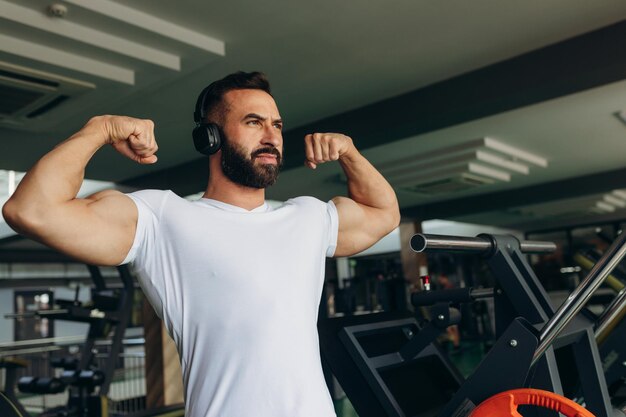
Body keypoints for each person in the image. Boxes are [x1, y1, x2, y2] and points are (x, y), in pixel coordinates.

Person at [2, 71, 400, 417]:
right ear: (210, 137)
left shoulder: (308, 217)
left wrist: (349, 153)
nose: (271, 136)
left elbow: (385, 214)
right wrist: (100, 129)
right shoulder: (162, 218)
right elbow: (32, 210)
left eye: (277, 125)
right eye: (253, 122)